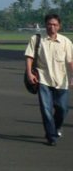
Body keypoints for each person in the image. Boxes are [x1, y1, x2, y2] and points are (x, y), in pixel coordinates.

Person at [25, 13, 73, 146]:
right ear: (45, 25)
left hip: (61, 81)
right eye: (50, 24)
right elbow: (29, 57)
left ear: (59, 26)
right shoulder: (36, 39)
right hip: (43, 80)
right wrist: (29, 73)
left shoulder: (65, 42)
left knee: (62, 109)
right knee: (46, 109)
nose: (52, 27)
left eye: (55, 25)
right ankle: (51, 136)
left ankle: (56, 127)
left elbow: (70, 62)